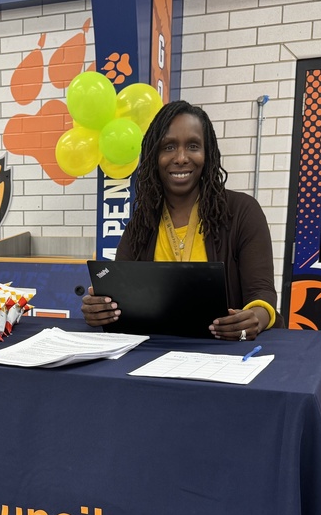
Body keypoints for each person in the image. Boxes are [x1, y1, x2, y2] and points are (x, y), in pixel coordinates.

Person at [80, 101, 280, 340]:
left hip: (225, 354)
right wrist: (100, 310)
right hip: (152, 354)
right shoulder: (142, 223)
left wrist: (255, 317)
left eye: (193, 146)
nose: (181, 157)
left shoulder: (242, 212)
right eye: (169, 147)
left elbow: (262, 293)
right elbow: (118, 299)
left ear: (208, 154)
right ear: (155, 156)